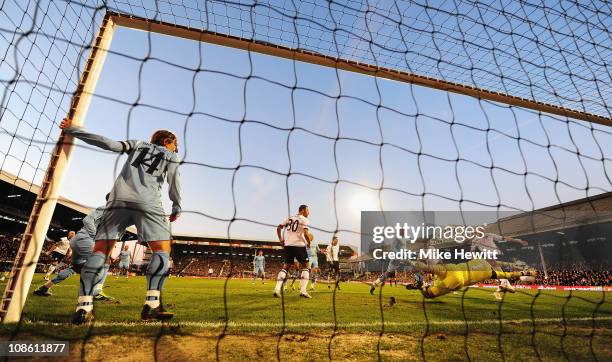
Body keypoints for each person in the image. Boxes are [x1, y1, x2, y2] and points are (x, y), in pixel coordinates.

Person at [60, 117, 181, 324]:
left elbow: (108, 144)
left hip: (117, 201)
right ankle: (151, 304)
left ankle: (83, 306)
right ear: (167, 142)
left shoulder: (137, 144)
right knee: (162, 250)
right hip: (148, 204)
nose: (177, 148)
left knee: (100, 252)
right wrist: (177, 206)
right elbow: (174, 184)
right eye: (175, 144)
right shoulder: (170, 156)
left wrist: (74, 130)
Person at [34, 200, 114, 301]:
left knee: (75, 268)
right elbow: (87, 220)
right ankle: (96, 292)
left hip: (80, 240)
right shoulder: (106, 209)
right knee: (105, 263)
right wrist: (94, 237)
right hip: (86, 239)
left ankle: (44, 288)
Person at [405, 259, 536, 298]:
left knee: (430, 268)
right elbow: (508, 275)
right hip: (458, 279)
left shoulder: (480, 259)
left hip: (452, 268)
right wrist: (525, 273)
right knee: (428, 294)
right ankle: (422, 285)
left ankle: (410, 260)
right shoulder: (491, 273)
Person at [274, 205, 313, 299]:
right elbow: (305, 233)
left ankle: (276, 289)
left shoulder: (290, 217)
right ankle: (303, 291)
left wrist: (281, 240)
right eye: (307, 210)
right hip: (299, 245)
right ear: (302, 210)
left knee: (286, 267)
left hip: (288, 245)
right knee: (306, 266)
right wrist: (309, 242)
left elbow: (279, 228)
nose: (309, 212)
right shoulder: (304, 219)